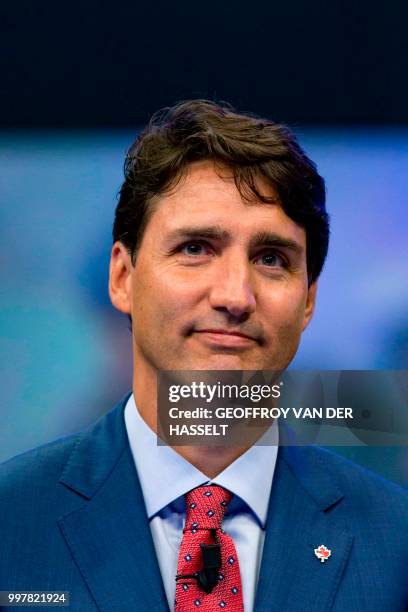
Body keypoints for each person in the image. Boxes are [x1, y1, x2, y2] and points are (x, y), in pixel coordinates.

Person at [0, 100, 407, 612]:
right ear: (123, 278)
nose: (235, 295)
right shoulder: (10, 523)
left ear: (307, 301)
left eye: (271, 258)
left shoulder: (396, 543)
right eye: (195, 248)